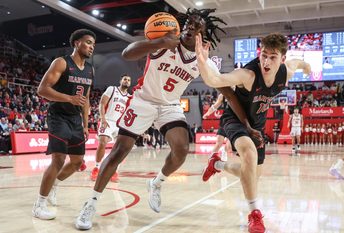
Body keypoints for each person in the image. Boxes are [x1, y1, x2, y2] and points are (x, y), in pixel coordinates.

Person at [75, 8, 226, 230]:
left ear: (203, 35)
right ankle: (91, 203)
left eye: (196, 29)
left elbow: (221, 85)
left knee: (182, 149)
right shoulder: (163, 43)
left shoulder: (203, 60)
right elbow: (127, 53)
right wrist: (159, 43)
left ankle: (156, 183)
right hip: (143, 100)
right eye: (188, 26)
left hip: (169, 105)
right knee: (119, 151)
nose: (190, 30)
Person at [195, 32, 311, 233]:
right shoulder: (248, 75)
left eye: (272, 57)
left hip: (257, 125)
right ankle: (255, 215)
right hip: (235, 120)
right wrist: (202, 61)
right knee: (249, 152)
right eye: (263, 55)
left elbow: (298, 63)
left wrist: (308, 67)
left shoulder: (286, 71)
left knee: (249, 176)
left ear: (282, 60)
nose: (266, 61)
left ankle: (217, 163)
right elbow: (216, 79)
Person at [32, 29, 96, 220]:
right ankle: (39, 204)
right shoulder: (61, 62)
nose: (92, 47)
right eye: (88, 42)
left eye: (93, 44)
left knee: (77, 163)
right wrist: (69, 98)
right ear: (77, 43)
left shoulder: (91, 69)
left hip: (76, 119)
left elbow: (85, 99)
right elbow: (42, 90)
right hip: (58, 116)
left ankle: (55, 184)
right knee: (58, 160)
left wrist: (85, 125)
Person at [90, 74, 132, 182]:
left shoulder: (130, 97)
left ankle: (114, 170)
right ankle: (97, 167)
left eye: (128, 80)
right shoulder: (112, 89)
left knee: (121, 148)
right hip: (108, 120)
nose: (126, 81)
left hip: (119, 124)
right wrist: (102, 118)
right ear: (120, 80)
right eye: (125, 79)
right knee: (102, 142)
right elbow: (102, 103)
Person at [203, 93, 232, 160]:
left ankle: (224, 151)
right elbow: (214, 106)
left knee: (229, 145)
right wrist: (207, 113)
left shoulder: (239, 92)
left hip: (234, 122)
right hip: (224, 120)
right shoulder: (222, 95)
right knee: (218, 143)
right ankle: (210, 160)